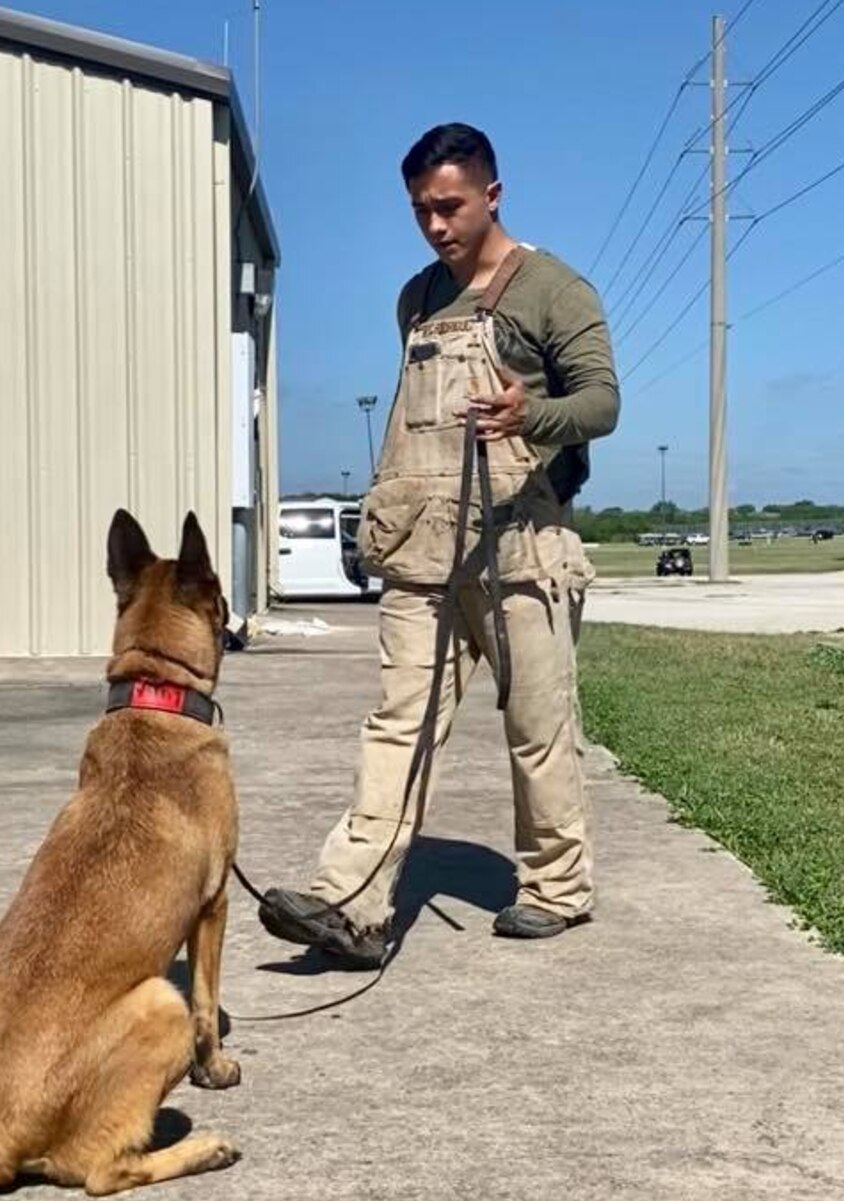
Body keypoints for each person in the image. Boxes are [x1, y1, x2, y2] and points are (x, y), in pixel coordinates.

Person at [256, 123, 619, 968]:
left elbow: (602, 402)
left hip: (522, 549)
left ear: (493, 194)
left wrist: (533, 415)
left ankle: (556, 887)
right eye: (420, 210)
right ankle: (351, 902)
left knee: (538, 727)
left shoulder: (554, 291)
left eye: (449, 206)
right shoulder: (415, 299)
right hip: (423, 556)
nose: (434, 225)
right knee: (398, 725)